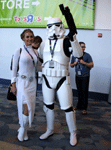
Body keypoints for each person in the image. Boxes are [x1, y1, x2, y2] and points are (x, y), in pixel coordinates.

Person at [38, 4, 83, 146]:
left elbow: (78, 54)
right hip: (46, 78)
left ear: (61, 26)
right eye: (50, 26)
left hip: (62, 79)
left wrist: (74, 40)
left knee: (67, 108)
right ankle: (50, 129)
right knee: (48, 106)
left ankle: (73, 132)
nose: (53, 29)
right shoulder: (44, 44)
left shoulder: (66, 41)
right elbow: (41, 59)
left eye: (56, 25)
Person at [11, 29, 37, 142]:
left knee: (30, 108)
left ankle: (24, 130)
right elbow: (14, 68)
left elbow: (38, 67)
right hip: (21, 82)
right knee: (26, 107)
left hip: (32, 83)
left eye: (31, 36)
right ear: (23, 38)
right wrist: (13, 84)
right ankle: (22, 129)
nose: (29, 39)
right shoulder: (19, 50)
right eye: (27, 37)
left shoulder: (35, 51)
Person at [70, 42, 94, 115]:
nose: (83, 48)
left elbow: (92, 65)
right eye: (81, 47)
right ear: (78, 47)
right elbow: (71, 65)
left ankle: (84, 108)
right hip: (78, 76)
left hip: (85, 76)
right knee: (79, 91)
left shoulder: (87, 55)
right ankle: (78, 106)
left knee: (84, 92)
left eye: (84, 47)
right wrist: (74, 64)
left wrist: (84, 63)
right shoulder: (74, 55)